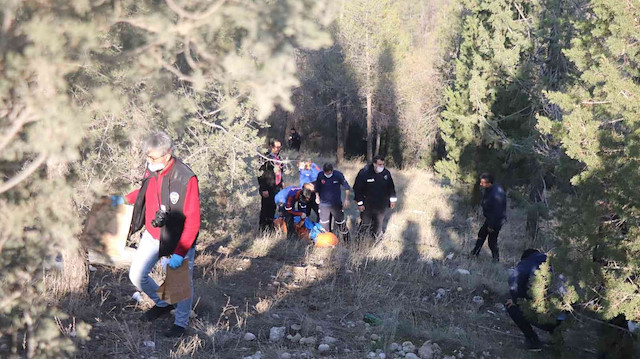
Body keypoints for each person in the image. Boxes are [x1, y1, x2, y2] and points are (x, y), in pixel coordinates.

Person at [116, 131, 200, 338]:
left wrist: (181, 252)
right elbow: (146, 191)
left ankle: (180, 323)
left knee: (180, 284)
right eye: (147, 156)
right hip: (153, 234)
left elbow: (193, 220)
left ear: (168, 153)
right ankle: (163, 303)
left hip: (178, 237)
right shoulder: (153, 169)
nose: (149, 161)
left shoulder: (186, 178)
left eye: (152, 157)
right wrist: (125, 199)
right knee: (136, 275)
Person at [506, 249, 564, 351]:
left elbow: (513, 280)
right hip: (567, 317)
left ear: (524, 258)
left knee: (511, 307)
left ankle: (533, 341)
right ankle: (558, 338)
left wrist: (516, 300)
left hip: (547, 317)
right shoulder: (555, 262)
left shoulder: (526, 264)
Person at [353, 155, 397, 239]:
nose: (382, 167)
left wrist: (392, 200)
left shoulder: (386, 173)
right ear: (374, 164)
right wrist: (360, 203)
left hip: (381, 204)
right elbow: (357, 189)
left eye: (383, 164)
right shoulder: (364, 173)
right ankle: (359, 240)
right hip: (367, 203)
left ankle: (375, 241)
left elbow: (391, 187)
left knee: (378, 224)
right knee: (365, 223)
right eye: (380, 164)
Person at [470, 172, 506, 262]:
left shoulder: (496, 194)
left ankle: (496, 259)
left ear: (489, 183)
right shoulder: (491, 188)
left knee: (492, 241)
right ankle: (475, 253)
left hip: (496, 221)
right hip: (490, 219)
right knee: (482, 234)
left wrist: (491, 225)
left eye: (482, 183)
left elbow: (497, 212)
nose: (480, 184)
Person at [314, 162, 351, 242]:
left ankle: (347, 241)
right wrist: (317, 196)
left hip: (336, 204)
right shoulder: (320, 175)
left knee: (341, 223)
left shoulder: (338, 175)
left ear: (332, 171)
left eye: (329, 173)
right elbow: (317, 187)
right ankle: (327, 242)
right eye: (325, 173)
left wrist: (347, 199)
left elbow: (347, 187)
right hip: (323, 204)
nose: (327, 174)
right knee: (324, 224)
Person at [258, 139, 285, 231]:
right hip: (267, 187)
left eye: (280, 147)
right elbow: (260, 175)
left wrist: (282, 181)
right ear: (271, 147)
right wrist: (263, 189)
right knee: (266, 208)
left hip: (276, 187)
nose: (279, 149)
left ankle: (270, 227)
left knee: (273, 207)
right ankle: (262, 228)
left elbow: (280, 171)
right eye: (277, 147)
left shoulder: (278, 157)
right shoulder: (264, 157)